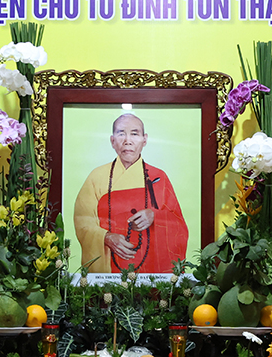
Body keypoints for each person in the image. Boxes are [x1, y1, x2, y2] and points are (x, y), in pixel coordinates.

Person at [73, 113, 189, 274]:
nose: (127, 141)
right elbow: (83, 223)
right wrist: (106, 237)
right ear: (112, 141)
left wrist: (155, 216)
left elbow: (178, 226)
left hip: (151, 270)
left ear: (144, 140)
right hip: (108, 272)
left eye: (134, 134)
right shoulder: (96, 177)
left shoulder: (158, 177)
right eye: (121, 134)